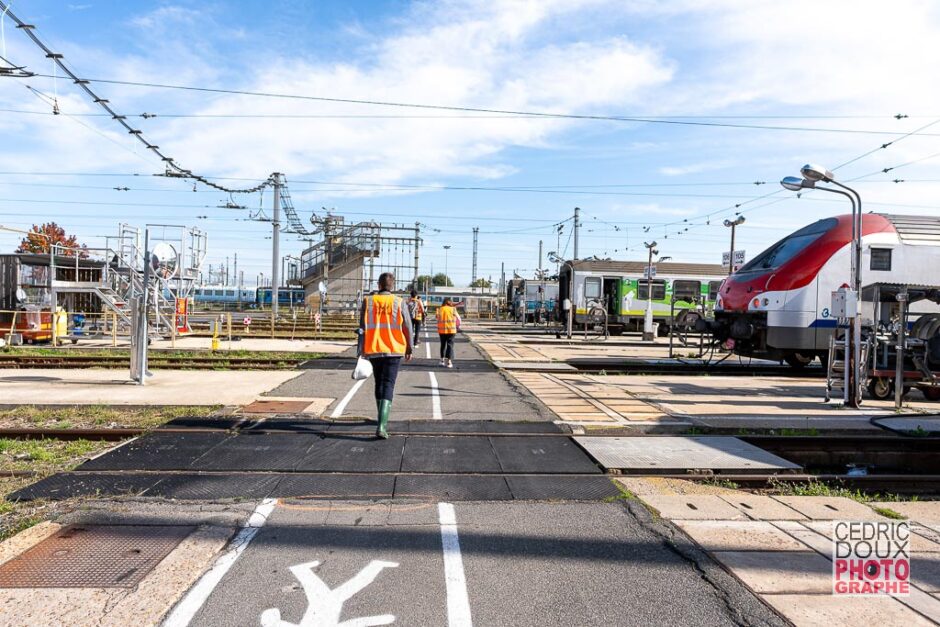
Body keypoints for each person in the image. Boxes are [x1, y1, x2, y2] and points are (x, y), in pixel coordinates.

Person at [358, 272, 413, 438]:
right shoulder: (399, 302)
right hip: (394, 349)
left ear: (378, 285)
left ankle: (380, 417)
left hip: (374, 348)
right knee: (388, 384)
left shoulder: (368, 301)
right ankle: (382, 425)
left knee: (378, 383)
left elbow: (362, 328)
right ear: (393, 285)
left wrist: (360, 349)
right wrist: (409, 348)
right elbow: (408, 327)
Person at [436, 297, 461, 368]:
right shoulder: (453, 309)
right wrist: (458, 326)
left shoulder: (439, 309)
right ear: (450, 302)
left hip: (442, 330)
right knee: (450, 345)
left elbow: (437, 318)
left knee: (443, 345)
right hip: (451, 330)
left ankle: (441, 360)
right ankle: (449, 362)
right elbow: (459, 318)